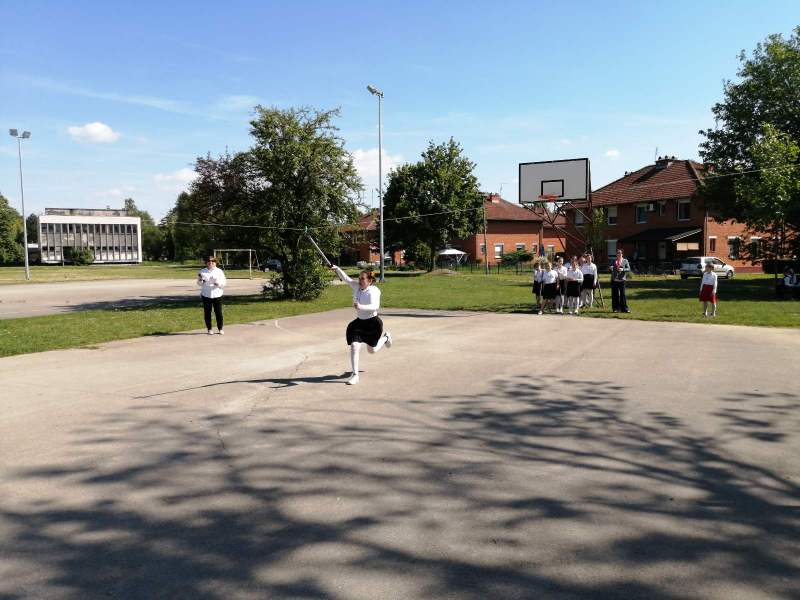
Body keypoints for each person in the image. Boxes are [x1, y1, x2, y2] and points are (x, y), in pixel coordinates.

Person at [331, 265, 393, 385]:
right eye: (359, 278)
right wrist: (337, 269)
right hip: (359, 323)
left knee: (372, 350)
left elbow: (375, 306)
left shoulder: (374, 291)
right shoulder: (357, 287)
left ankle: (386, 338)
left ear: (370, 281)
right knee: (354, 346)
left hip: (373, 324)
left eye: (362, 279)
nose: (360, 281)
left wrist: (361, 306)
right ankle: (355, 375)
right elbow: (347, 279)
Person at [197, 256, 227, 334]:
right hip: (206, 294)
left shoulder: (219, 271)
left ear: (215, 263)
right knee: (207, 312)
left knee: (218, 312)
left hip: (217, 294)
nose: (211, 263)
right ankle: (209, 329)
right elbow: (199, 283)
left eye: (213, 261)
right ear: (206, 263)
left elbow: (224, 282)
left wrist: (218, 283)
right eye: (209, 261)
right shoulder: (202, 271)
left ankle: (220, 328)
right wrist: (201, 281)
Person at [610, 248, 631, 313]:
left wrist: (623, 269)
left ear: (622, 254)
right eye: (617, 253)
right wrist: (610, 268)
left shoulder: (625, 261)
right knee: (615, 295)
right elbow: (610, 267)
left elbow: (629, 269)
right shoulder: (613, 261)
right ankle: (616, 308)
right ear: (616, 254)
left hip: (622, 280)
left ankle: (624, 309)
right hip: (614, 280)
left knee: (623, 295)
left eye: (620, 253)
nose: (619, 254)